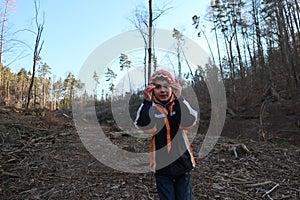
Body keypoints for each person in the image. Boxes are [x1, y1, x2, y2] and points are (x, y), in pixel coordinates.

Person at [135, 70, 198, 200]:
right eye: (157, 87)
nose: (162, 90)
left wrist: (180, 98)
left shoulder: (179, 104)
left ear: (173, 87)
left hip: (182, 164)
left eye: (166, 86)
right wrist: (146, 101)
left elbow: (190, 120)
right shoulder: (151, 108)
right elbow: (142, 125)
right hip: (162, 167)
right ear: (152, 89)